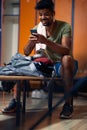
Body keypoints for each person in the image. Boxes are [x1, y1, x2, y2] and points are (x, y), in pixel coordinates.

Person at [1, 0, 78, 119]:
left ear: (53, 13)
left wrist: (45, 41)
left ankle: (68, 104)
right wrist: (31, 42)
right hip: (46, 64)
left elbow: (66, 50)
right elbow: (26, 51)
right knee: (19, 61)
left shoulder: (65, 26)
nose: (43, 17)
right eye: (40, 14)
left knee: (67, 59)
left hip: (62, 65)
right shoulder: (38, 28)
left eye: (46, 14)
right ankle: (16, 102)